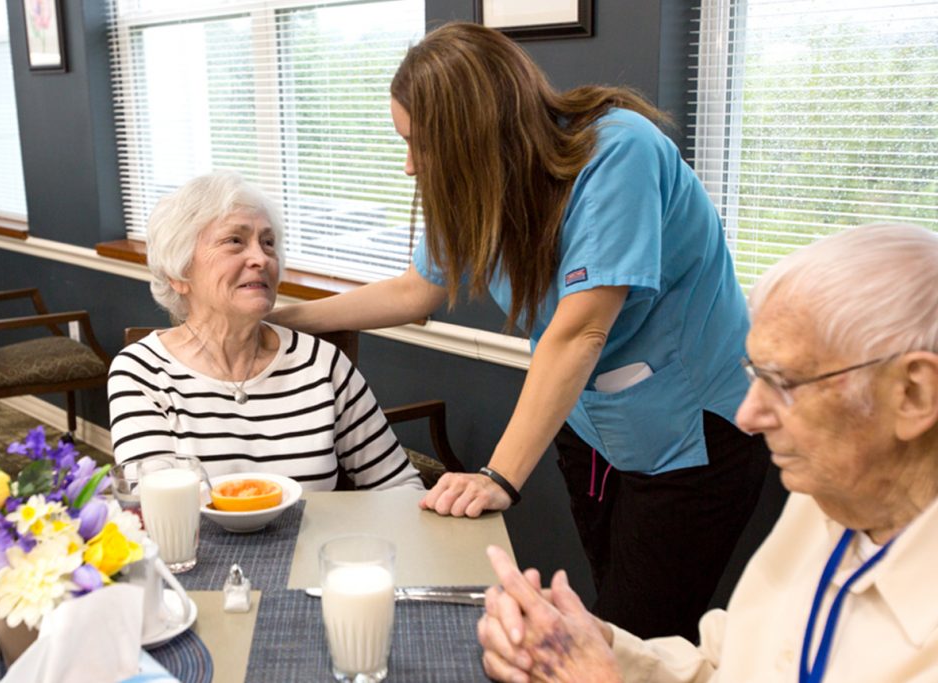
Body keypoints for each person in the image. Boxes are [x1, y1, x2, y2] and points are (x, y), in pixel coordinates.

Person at [268, 21, 770, 639]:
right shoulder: (483, 184)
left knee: (643, 634)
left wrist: (497, 476)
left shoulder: (618, 154)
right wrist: (276, 316)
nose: (409, 166)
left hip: (691, 434)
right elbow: (415, 290)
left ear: (475, 133)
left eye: (420, 144)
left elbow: (580, 332)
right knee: (608, 618)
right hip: (590, 429)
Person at [477, 223, 938, 682]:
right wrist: (602, 648)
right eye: (755, 374)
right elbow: (725, 666)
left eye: (783, 383)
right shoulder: (825, 503)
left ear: (913, 394)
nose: (747, 416)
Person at [108, 171, 422, 491]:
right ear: (178, 272)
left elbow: (398, 486)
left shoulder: (322, 364)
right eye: (235, 241)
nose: (261, 258)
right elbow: (157, 505)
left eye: (268, 243)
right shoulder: (141, 372)